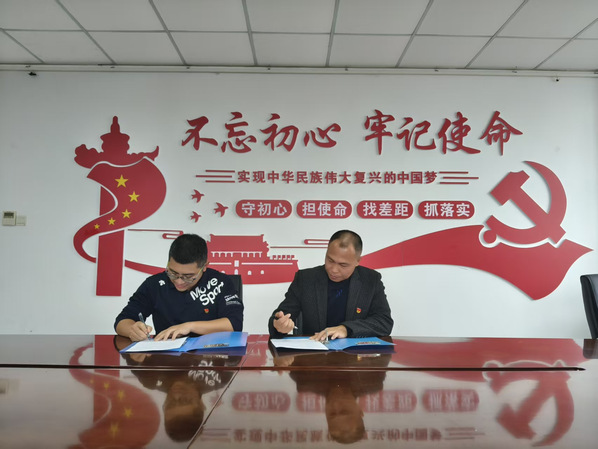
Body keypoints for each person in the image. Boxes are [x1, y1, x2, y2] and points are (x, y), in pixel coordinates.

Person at [268, 230, 393, 341]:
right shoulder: (305, 279)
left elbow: (384, 322)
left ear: (357, 261)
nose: (333, 270)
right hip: (313, 354)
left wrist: (346, 329)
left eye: (343, 265)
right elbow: (281, 315)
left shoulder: (371, 280)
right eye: (330, 260)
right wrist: (279, 325)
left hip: (355, 356)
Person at [115, 233, 243, 341]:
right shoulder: (154, 284)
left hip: (211, 357)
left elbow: (234, 324)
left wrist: (189, 327)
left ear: (204, 266)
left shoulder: (220, 282)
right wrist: (132, 330)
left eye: (188, 276)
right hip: (167, 358)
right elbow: (122, 320)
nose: (179, 281)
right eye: (173, 273)